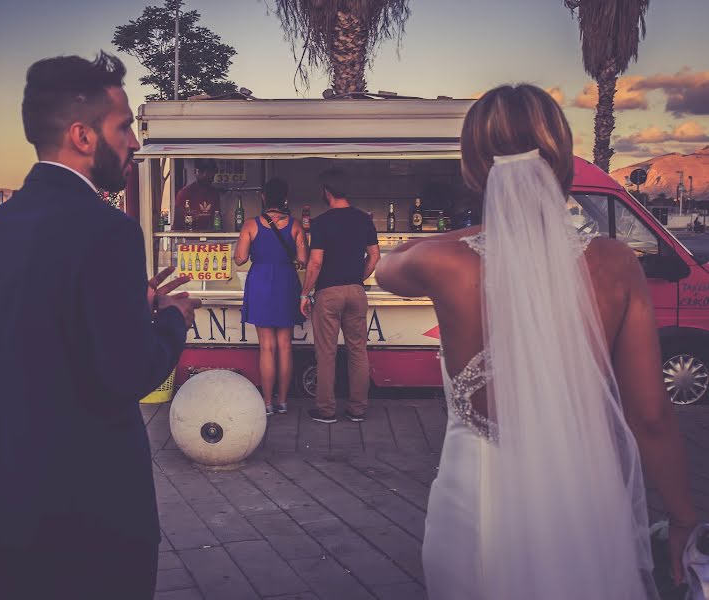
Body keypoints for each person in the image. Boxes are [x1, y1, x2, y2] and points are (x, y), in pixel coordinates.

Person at [376, 84, 696, 600]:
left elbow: (385, 268)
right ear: (562, 157)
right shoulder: (616, 264)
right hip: (583, 500)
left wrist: (443, 237)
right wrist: (682, 517)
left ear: (473, 169)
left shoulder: (439, 261)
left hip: (475, 502)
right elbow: (651, 414)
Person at [0, 52, 201, 599]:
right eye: (125, 128)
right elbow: (127, 373)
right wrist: (169, 320)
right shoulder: (107, 230)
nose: (136, 144)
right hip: (92, 504)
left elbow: (31, 331)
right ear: (82, 135)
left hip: (14, 497)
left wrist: (125, 303)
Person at [300, 169, 380, 424]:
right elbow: (375, 256)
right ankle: (357, 409)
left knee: (327, 353)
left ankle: (326, 411)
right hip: (356, 292)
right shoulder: (363, 220)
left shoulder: (322, 223)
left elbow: (315, 263)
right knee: (358, 351)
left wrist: (304, 293)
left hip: (329, 294)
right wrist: (358, 277)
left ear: (327, 191)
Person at [234, 178, 308, 416]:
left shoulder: (250, 225)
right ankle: (283, 402)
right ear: (285, 198)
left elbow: (240, 258)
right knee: (285, 346)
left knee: (266, 347)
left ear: (263, 197)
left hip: (261, 283)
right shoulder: (295, 225)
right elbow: (304, 260)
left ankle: (267, 403)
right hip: (286, 282)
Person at [174, 158, 220, 231]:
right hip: (189, 238)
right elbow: (177, 225)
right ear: (196, 172)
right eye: (202, 171)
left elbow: (217, 220)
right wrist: (191, 219)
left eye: (209, 172)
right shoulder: (184, 193)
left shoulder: (214, 193)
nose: (205, 175)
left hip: (210, 238)